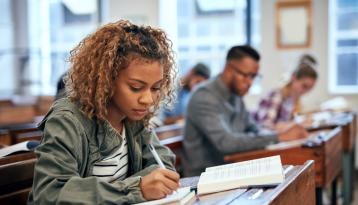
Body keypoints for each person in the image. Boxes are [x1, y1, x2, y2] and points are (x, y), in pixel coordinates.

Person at [28, 20, 180, 204]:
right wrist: (136, 188)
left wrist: (153, 182)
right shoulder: (67, 120)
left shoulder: (135, 118)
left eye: (156, 88)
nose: (147, 100)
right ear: (106, 79)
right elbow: (49, 194)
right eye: (136, 87)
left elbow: (163, 163)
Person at [182, 45, 308, 177]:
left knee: (289, 173)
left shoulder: (236, 96)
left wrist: (279, 135)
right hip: (203, 178)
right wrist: (279, 137)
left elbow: (254, 128)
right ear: (228, 69)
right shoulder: (204, 96)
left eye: (253, 77)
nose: (249, 82)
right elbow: (227, 143)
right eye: (246, 75)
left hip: (232, 170)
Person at [252, 55, 318, 132]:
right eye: (304, 86)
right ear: (293, 78)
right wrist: (295, 125)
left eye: (310, 88)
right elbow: (265, 127)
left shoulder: (292, 99)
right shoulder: (277, 95)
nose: (306, 91)